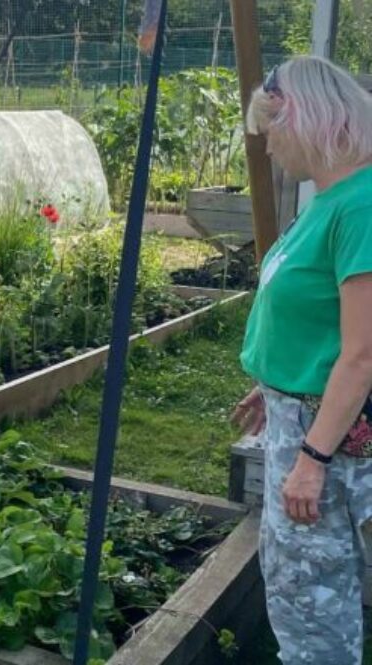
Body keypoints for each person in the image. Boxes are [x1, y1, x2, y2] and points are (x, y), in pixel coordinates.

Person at [232, 55, 372, 665]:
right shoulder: (332, 200)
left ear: (302, 118)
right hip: (303, 420)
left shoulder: (360, 206)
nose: (267, 150)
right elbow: (318, 321)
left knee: (313, 605)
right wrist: (274, 384)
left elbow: (363, 354)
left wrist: (312, 460)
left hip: (330, 444)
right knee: (303, 590)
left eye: (270, 133)